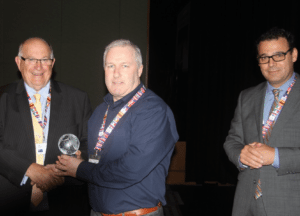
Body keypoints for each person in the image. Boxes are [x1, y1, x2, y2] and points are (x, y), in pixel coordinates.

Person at [56, 39, 179, 216]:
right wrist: (78, 160)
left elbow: (131, 170)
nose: (116, 73)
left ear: (140, 69)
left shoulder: (153, 111)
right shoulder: (100, 111)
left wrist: (81, 168)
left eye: (125, 66)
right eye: (110, 66)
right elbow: (100, 161)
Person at [0, 37, 92, 215]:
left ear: (53, 63)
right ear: (19, 62)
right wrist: (28, 169)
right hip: (10, 202)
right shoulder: (2, 97)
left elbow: (91, 147)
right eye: (31, 59)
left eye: (45, 60)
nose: (38, 66)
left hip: (64, 204)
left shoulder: (77, 99)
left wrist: (65, 171)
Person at [224, 27, 300, 216]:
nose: (271, 63)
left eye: (278, 55)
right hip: (245, 202)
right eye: (264, 57)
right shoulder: (246, 97)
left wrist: (275, 156)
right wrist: (241, 155)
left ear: (294, 55)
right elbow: (232, 141)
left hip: (291, 204)